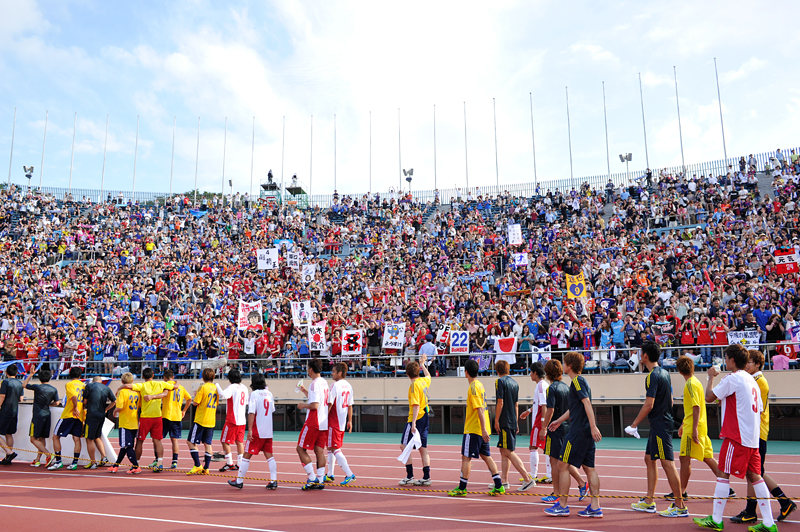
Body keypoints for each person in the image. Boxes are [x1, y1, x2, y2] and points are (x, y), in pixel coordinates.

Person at [694, 344, 776, 532]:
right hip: (753, 436)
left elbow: (709, 397)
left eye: (726, 358)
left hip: (737, 435)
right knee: (755, 476)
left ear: (731, 360)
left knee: (723, 472)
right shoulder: (752, 380)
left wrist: (710, 377)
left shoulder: (733, 379)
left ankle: (716, 519)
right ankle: (769, 523)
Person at [729, 350, 796, 524]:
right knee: (754, 472)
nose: (747, 365)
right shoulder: (756, 380)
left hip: (756, 431)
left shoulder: (758, 381)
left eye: (750, 362)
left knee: (754, 472)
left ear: (758, 364)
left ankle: (757, 509)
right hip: (756, 431)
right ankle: (782, 503)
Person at [628, 341, 687, 517]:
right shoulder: (665, 373)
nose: (639, 356)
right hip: (660, 424)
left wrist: (634, 424)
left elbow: (648, 404)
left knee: (667, 463)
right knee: (649, 459)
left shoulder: (652, 376)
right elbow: (671, 400)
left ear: (645, 356)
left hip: (660, 425)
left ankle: (680, 505)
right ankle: (649, 501)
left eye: (640, 353)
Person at [545, 351, 603, 518]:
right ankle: (595, 507)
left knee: (562, 465)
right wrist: (559, 420)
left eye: (564, 363)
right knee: (589, 468)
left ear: (569, 366)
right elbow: (575, 408)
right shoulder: (580, 383)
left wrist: (593, 426)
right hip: (584, 432)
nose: (562, 366)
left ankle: (562, 505)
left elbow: (587, 403)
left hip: (578, 432)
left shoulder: (577, 381)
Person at [672, 355, 730, 502]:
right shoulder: (696, 382)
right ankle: (727, 488)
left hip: (694, 427)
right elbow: (694, 407)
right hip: (699, 425)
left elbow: (696, 406)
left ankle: (681, 492)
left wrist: (693, 428)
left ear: (679, 371)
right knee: (708, 457)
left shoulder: (690, 384)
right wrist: (684, 424)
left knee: (684, 459)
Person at [447, 358, 505, 497]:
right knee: (487, 456)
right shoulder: (479, 385)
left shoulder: (473, 387)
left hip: (474, 429)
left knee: (466, 458)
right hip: (480, 428)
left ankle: (462, 487)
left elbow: (479, 409)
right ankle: (498, 485)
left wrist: (484, 429)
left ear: (466, 372)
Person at [540, 359, 588, 504]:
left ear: (547, 372)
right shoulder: (566, 387)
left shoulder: (551, 388)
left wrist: (543, 427)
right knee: (563, 461)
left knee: (554, 462)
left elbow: (551, 409)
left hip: (555, 427)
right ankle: (581, 483)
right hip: (566, 426)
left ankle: (556, 493)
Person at [228, 373, 278, 490]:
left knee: (246, 455)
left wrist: (250, 429)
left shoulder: (254, 394)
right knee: (270, 456)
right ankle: (274, 480)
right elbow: (272, 410)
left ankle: (239, 480)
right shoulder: (269, 393)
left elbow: (251, 413)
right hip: (268, 430)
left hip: (257, 430)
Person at [493, 359, 534, 491]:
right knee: (503, 451)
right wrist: (516, 422)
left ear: (497, 370)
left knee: (507, 451)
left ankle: (527, 478)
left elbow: (500, 402)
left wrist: (496, 420)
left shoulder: (500, 381)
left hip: (504, 420)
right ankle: (504, 481)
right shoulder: (515, 383)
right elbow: (516, 405)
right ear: (508, 369)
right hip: (511, 420)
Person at [129, 367, 174, 472]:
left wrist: (120, 388)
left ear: (143, 376)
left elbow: (128, 385)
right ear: (153, 375)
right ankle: (159, 464)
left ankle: (136, 465)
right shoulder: (160, 384)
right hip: (157, 416)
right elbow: (174, 386)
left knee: (140, 441)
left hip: (145, 417)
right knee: (157, 441)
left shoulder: (142, 385)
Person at [399, 353, 432, 486]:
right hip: (425, 416)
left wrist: (412, 423)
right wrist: (423, 364)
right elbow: (429, 376)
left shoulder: (413, 386)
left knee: (403, 445)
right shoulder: (423, 381)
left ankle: (410, 475)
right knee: (423, 448)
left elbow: (416, 405)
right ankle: (426, 476)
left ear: (407, 375)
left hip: (416, 418)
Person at [296, 358, 329, 490]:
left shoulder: (314, 383)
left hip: (313, 421)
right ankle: (320, 480)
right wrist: (304, 391)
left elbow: (315, 405)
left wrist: (303, 405)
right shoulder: (324, 383)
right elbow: (322, 400)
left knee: (300, 449)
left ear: (310, 369)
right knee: (319, 451)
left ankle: (312, 478)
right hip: (323, 422)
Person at [519, 361, 551, 484]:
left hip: (539, 422)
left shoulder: (541, 386)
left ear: (535, 373)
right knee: (545, 448)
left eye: (531, 372)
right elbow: (539, 404)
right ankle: (548, 474)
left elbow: (544, 406)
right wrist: (529, 411)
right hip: (540, 421)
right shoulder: (544, 385)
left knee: (533, 447)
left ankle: (533, 475)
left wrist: (543, 424)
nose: (530, 375)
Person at [48, 366, 86, 470]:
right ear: (80, 375)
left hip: (69, 414)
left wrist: (75, 407)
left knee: (56, 436)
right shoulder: (83, 385)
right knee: (76, 439)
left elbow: (73, 395)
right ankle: (74, 463)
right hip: (80, 416)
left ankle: (58, 461)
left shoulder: (69, 384)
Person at [325, 362, 356, 485]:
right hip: (342, 422)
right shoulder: (349, 386)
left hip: (334, 421)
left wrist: (323, 416)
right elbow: (350, 405)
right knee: (330, 447)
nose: (331, 374)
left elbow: (330, 403)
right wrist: (350, 421)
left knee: (335, 449)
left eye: (333, 371)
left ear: (340, 373)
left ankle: (349, 474)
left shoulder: (335, 385)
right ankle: (330, 474)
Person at [22, 367, 59, 467]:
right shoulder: (53, 389)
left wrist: (30, 375)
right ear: (50, 378)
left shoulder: (38, 387)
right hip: (47, 415)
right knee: (42, 438)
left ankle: (48, 455)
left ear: (39, 378)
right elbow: (57, 402)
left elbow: (24, 385)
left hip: (38, 415)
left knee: (33, 439)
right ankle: (38, 459)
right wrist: (50, 405)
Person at [186, 368, 219, 475]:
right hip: (211, 419)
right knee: (208, 444)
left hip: (201, 419)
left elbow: (196, 402)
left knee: (190, 441)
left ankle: (197, 465)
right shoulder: (216, 388)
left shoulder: (203, 387)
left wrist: (196, 395)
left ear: (204, 377)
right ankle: (207, 467)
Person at [216, 368, 248, 472]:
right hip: (242, 420)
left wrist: (216, 385)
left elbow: (223, 395)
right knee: (239, 442)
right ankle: (240, 463)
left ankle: (229, 463)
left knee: (224, 441)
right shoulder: (244, 387)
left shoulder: (232, 387)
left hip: (232, 419)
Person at [110, 372, 142, 474]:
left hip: (125, 422)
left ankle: (136, 466)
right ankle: (115, 465)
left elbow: (119, 406)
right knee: (125, 446)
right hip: (134, 421)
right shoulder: (137, 392)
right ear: (132, 381)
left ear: (122, 381)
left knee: (128, 446)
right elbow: (140, 405)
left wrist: (114, 411)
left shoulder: (122, 392)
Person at [161, 369, 192, 469]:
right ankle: (174, 461)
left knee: (158, 439)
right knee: (174, 440)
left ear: (164, 378)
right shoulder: (181, 387)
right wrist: (184, 411)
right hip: (177, 416)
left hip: (166, 415)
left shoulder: (165, 385)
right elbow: (189, 399)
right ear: (173, 377)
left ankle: (158, 460)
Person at [82, 376, 115, 468]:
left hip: (92, 415)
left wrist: (83, 407)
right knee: (97, 437)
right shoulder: (106, 388)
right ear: (101, 381)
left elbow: (84, 401)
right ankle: (103, 456)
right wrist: (106, 409)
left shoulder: (89, 386)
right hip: (101, 415)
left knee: (89, 439)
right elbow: (114, 401)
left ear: (93, 381)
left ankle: (93, 463)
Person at [0, 364, 25, 464]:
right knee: (8, 434)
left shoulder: (5, 382)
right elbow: (21, 399)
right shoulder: (19, 383)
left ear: (6, 373)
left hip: (5, 409)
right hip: (14, 410)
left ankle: (9, 452)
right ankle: (8, 458)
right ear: (16, 373)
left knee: (6, 433)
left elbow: (2, 396)